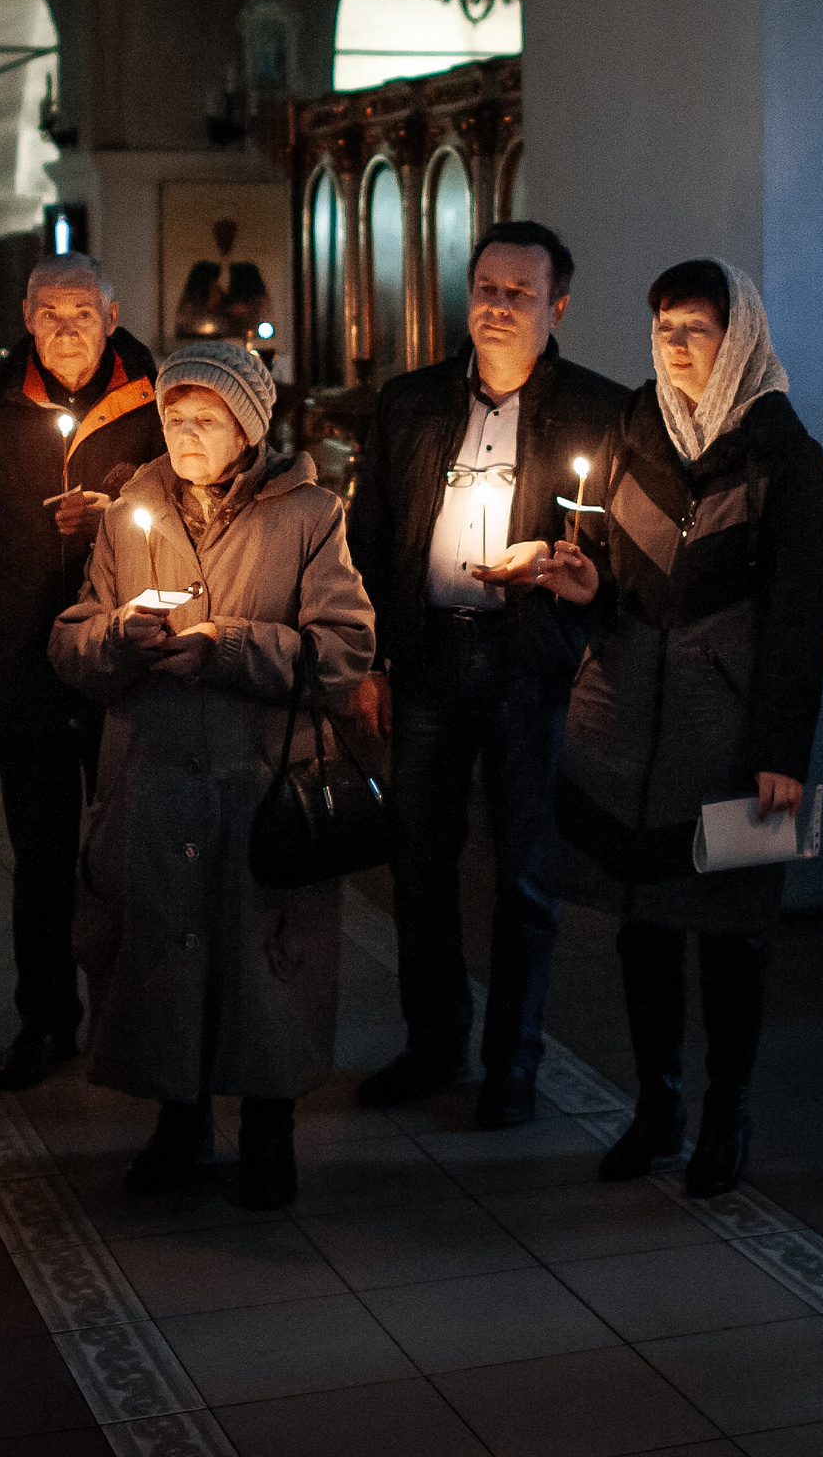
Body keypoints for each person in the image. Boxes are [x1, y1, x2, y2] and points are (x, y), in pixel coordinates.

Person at [531, 259, 823, 1196]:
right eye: (662, 326)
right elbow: (617, 568)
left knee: (731, 931)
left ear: (736, 338)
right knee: (643, 926)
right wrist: (587, 586)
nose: (671, 344)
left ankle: (725, 1115)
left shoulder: (785, 453)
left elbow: (799, 613)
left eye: (692, 329)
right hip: (632, 726)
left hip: (729, 726)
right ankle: (656, 1106)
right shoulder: (634, 427)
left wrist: (784, 752)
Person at [51, 342, 376, 1207]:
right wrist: (116, 636)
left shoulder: (308, 514)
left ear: (250, 426)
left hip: (258, 776)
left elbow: (343, 653)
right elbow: (72, 635)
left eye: (207, 418)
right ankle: (179, 1120)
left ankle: (271, 1130)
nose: (186, 433)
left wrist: (228, 646)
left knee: (265, 956)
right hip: (156, 775)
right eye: (174, 416)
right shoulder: (133, 509)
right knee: (162, 948)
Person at [346, 220, 625, 1126]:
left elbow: (619, 548)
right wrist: (373, 657)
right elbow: (374, 536)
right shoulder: (412, 401)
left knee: (524, 874)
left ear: (559, 306)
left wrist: (573, 582)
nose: (498, 308)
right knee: (419, 860)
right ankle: (434, 1043)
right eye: (487, 289)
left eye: (519, 293)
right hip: (428, 655)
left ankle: (514, 1059)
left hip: (526, 661)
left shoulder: (599, 410)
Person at [0, 251, 166, 1091]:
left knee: (135, 850)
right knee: (43, 860)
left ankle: (137, 1018)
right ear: (26, 319)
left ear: (113, 313)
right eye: (50, 315)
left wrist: (120, 512)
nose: (65, 331)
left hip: (129, 669)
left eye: (82, 314)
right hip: (23, 670)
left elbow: (199, 508)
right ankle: (46, 1019)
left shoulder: (159, 402)